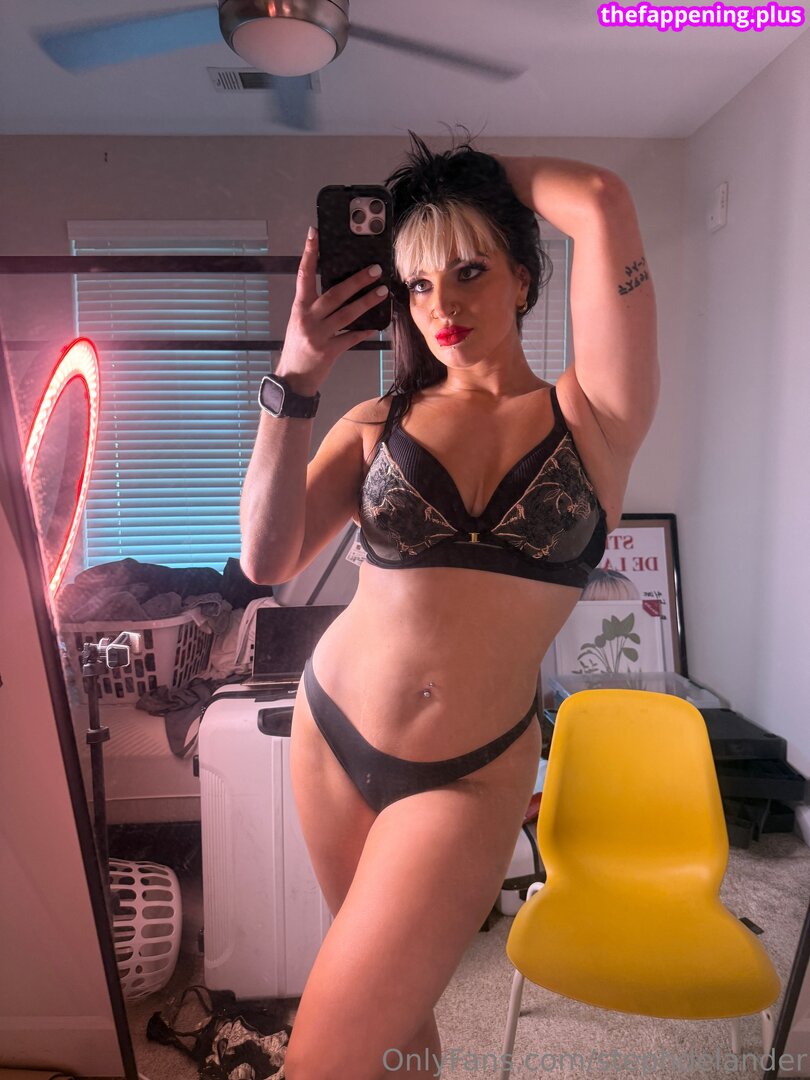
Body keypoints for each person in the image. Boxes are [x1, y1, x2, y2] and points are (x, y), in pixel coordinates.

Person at [240, 133, 659, 1079]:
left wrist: (451, 181)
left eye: (470, 271)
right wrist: (295, 379)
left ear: (523, 277)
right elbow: (266, 558)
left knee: (325, 1056)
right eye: (419, 284)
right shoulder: (376, 423)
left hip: (469, 775)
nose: (442, 306)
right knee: (396, 1024)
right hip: (330, 735)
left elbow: (600, 196)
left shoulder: (593, 417)